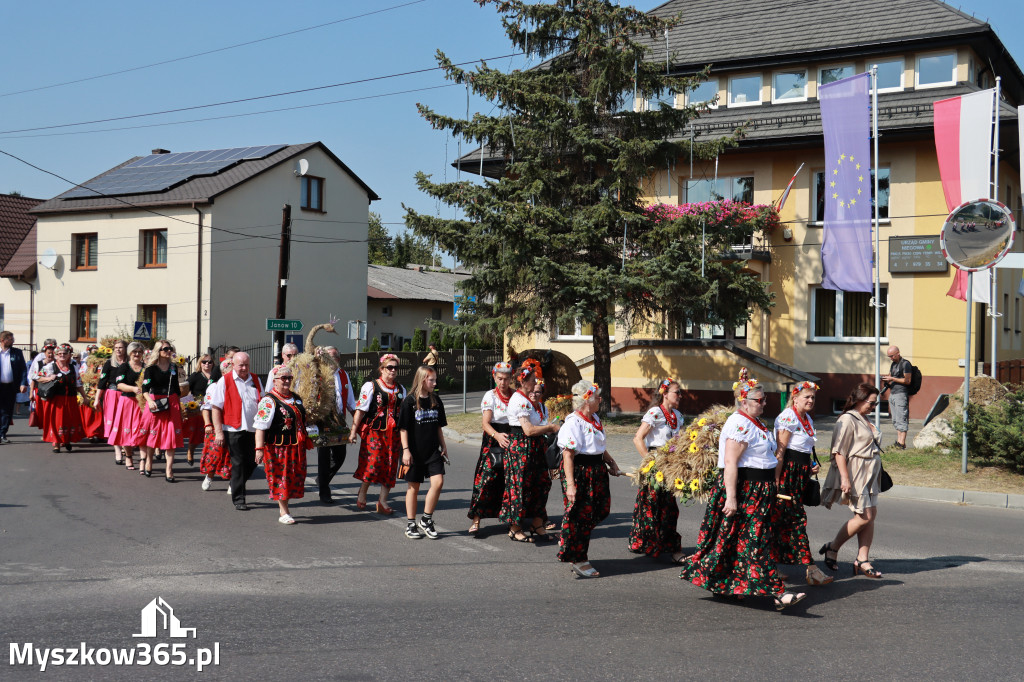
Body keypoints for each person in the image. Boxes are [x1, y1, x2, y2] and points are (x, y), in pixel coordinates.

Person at [679, 369, 807, 610]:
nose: (765, 403)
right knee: (755, 541)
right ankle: (778, 593)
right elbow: (730, 462)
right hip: (746, 489)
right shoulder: (739, 424)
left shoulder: (755, 422)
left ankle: (727, 586)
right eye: (760, 400)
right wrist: (731, 498)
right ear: (744, 403)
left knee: (739, 540)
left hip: (760, 490)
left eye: (765, 399)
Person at [556, 380, 621, 578]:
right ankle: (578, 558)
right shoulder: (573, 422)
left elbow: (599, 445)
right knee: (580, 517)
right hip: (580, 471)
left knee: (601, 509)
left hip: (597, 470)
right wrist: (571, 485)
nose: (601, 400)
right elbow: (568, 455)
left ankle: (571, 539)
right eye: (597, 397)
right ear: (587, 400)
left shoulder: (594, 418)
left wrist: (611, 462)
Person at [820, 383, 885, 579]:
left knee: (871, 515)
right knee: (863, 516)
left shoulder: (864, 418)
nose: (874, 407)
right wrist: (845, 479)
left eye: (876, 403)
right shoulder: (847, 419)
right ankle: (832, 547)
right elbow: (839, 451)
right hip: (856, 471)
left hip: (870, 473)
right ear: (859, 399)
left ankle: (862, 559)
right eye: (871, 403)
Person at [772, 382, 833, 586]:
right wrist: (776, 482)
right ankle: (812, 569)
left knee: (782, 521)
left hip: (799, 474)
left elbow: (802, 449)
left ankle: (769, 566)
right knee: (796, 520)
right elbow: (781, 453)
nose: (810, 400)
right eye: (806, 396)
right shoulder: (788, 417)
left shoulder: (805, 417)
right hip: (787, 476)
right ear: (795, 397)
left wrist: (810, 467)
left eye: (813, 397)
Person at [628, 378, 686, 562]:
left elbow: (682, 441)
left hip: (671, 465)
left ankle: (668, 545)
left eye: (680, 392)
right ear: (665, 393)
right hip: (655, 464)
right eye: (677, 392)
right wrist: (650, 462)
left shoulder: (678, 415)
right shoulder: (655, 412)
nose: (680, 395)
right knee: (651, 505)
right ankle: (648, 543)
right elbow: (638, 438)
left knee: (669, 507)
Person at [502, 365, 560, 542]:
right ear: (523, 381)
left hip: (535, 447)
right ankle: (515, 527)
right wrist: (550, 427)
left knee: (542, 484)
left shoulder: (527, 400)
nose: (535, 383)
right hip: (522, 448)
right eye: (533, 380)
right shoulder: (519, 400)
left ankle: (537, 523)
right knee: (520, 486)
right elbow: (527, 430)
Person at [349, 354, 406, 514]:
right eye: (390, 367)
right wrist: (353, 431)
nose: (393, 370)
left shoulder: (401, 389)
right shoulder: (371, 386)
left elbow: (405, 413)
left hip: (394, 434)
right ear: (382, 369)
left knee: (390, 466)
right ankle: (362, 492)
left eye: (396, 368)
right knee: (372, 464)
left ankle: (382, 501)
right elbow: (360, 410)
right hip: (375, 432)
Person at [254, 366, 311, 524]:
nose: (286, 381)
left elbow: (302, 420)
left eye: (289, 378)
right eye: (283, 378)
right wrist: (259, 449)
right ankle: (283, 511)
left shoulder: (296, 398)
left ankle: (285, 508)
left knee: (293, 477)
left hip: (296, 446)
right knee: (282, 477)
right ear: (274, 381)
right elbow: (260, 426)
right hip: (278, 448)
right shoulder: (269, 401)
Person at [209, 352, 264, 511]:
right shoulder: (224, 381)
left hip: (253, 429)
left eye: (247, 365)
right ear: (233, 365)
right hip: (233, 429)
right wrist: (218, 432)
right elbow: (216, 407)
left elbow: (263, 402)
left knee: (254, 461)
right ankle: (239, 498)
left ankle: (236, 482)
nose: (244, 368)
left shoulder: (255, 379)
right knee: (238, 463)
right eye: (241, 365)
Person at [399, 365, 448, 539]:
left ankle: (426, 520)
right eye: (431, 380)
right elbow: (403, 429)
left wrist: (444, 446)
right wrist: (406, 451)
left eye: (435, 379)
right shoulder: (409, 402)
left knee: (438, 482)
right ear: (422, 380)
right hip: (413, 452)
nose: (435, 383)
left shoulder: (436, 400)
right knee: (414, 487)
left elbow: (439, 427)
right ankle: (411, 524)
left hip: (432, 451)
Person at [467, 362, 514, 536]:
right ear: (494, 377)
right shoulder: (490, 396)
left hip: (510, 439)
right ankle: (476, 519)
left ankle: (511, 520)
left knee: (510, 481)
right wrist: (497, 436)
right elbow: (485, 423)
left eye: (506, 379)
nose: (503, 382)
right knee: (486, 479)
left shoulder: (515, 395)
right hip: (493, 440)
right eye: (500, 378)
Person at [140, 340, 185, 482]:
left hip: (171, 402)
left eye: (170, 348)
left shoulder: (174, 367)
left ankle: (169, 470)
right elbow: (145, 390)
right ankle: (148, 462)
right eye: (165, 349)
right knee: (153, 435)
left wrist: (180, 408)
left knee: (171, 437)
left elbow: (177, 390)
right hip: (155, 402)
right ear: (158, 351)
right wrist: (150, 401)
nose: (168, 351)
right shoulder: (151, 369)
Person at [316, 346, 357, 505]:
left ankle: (322, 479)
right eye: (328, 357)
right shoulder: (317, 374)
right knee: (324, 457)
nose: (332, 360)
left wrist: (357, 421)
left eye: (335, 357)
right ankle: (324, 492)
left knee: (340, 456)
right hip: (321, 420)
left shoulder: (343, 375)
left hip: (339, 420)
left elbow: (351, 401)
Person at [36, 344, 89, 453]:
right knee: (57, 421)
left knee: (69, 420)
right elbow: (37, 377)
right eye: (59, 354)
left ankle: (67, 440)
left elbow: (78, 384)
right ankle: (56, 443)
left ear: (69, 355)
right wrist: (48, 378)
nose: (62, 356)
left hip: (70, 399)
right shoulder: (50, 367)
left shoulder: (73, 367)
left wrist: (84, 397)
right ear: (56, 356)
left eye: (65, 354)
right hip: (56, 399)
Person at [109, 342, 147, 471]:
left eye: (139, 352)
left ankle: (143, 460)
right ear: (130, 353)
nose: (137, 354)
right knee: (126, 431)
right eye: (134, 352)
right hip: (127, 402)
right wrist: (133, 388)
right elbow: (119, 385)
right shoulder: (124, 367)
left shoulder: (146, 367)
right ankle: (129, 456)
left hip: (142, 403)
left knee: (142, 431)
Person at [200, 359, 233, 491]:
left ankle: (233, 482)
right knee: (214, 453)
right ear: (224, 372)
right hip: (216, 425)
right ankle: (209, 476)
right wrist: (207, 423)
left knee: (232, 455)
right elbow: (206, 408)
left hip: (233, 426)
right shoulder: (214, 387)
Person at [94, 340, 128, 464]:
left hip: (127, 395)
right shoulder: (109, 363)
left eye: (121, 347)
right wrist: (97, 399)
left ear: (125, 349)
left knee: (126, 422)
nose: (118, 350)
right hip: (113, 394)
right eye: (116, 348)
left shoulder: (130, 363)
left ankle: (126, 446)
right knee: (114, 422)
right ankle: (117, 451)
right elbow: (102, 382)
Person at [184, 354, 215, 465]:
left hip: (213, 408)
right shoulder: (195, 376)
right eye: (204, 362)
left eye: (209, 362)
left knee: (212, 435)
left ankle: (209, 458)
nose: (207, 364)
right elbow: (185, 388)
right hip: (198, 409)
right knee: (197, 435)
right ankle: (190, 451)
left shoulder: (216, 376)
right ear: (200, 363)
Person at [0, 331, 29, 444]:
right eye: (11, 339)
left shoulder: (17, 352)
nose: (13, 341)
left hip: (10, 387)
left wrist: (23, 383)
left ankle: (2, 434)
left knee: (7, 411)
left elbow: (23, 369)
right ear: (3, 340)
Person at [881, 345, 912, 449]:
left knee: (901, 418)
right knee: (895, 419)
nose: (891, 358)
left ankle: (902, 444)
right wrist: (886, 378)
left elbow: (907, 381)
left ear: (898, 353)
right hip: (893, 393)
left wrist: (892, 379)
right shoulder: (893, 364)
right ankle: (898, 442)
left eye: (892, 356)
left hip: (901, 394)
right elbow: (891, 376)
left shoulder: (906, 364)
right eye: (889, 356)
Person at [28, 342, 56, 436]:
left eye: (52, 353)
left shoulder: (57, 364)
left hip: (53, 391)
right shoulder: (39, 364)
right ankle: (46, 431)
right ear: (45, 353)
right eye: (49, 352)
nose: (51, 355)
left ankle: (51, 431)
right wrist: (31, 393)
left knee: (51, 412)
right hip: (40, 391)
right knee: (42, 413)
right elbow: (33, 379)